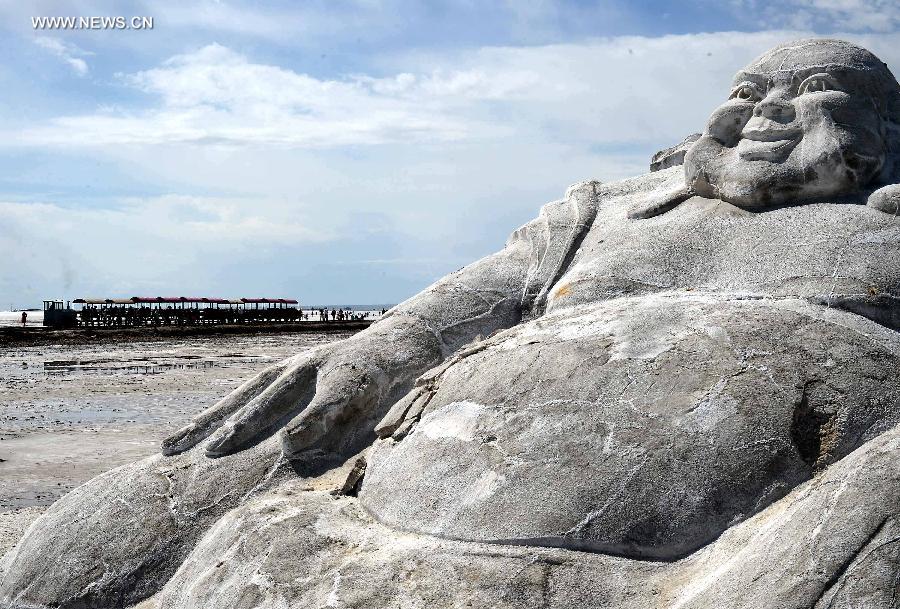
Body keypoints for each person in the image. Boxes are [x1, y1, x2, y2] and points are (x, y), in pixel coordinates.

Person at [5, 39, 900, 606]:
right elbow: (467, 298)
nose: (758, 113)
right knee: (115, 523)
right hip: (424, 460)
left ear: (884, 130)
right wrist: (378, 348)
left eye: (812, 89)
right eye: (747, 88)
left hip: (752, 529)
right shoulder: (606, 211)